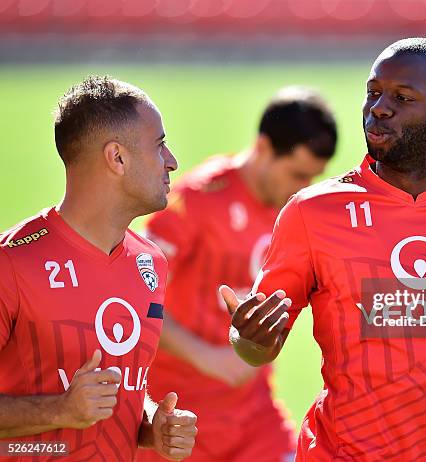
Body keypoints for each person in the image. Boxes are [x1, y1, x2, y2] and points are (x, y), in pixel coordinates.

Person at [221, 38, 426, 461]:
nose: (379, 107)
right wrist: (249, 337)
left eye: (402, 98)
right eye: (373, 92)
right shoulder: (313, 213)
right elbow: (258, 346)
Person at [0, 76, 197, 461]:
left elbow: (115, 391)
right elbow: (76, 406)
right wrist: (60, 411)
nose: (172, 160)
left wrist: (152, 424)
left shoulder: (149, 263)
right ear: (116, 158)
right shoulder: (12, 263)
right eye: (159, 146)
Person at [140, 87, 337, 462]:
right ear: (263, 148)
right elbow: (134, 292)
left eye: (311, 178)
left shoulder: (296, 214)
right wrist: (208, 357)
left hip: (256, 419)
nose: (303, 189)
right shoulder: (200, 198)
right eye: (296, 174)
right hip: (178, 418)